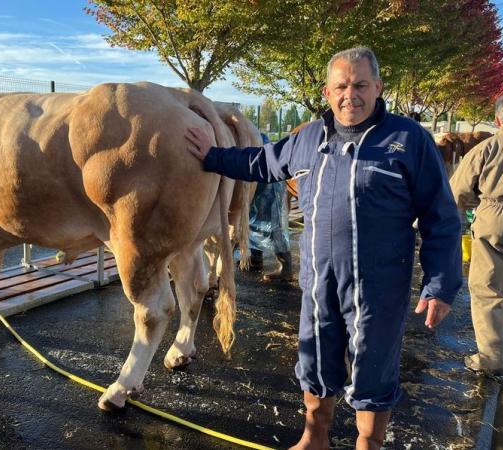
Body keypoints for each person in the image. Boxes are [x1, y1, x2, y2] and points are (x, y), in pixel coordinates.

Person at [185, 47, 462, 450]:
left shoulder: (408, 140)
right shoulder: (309, 138)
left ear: (378, 87)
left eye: (361, 84)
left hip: (378, 287)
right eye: (342, 86)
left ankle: (368, 443)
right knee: (314, 359)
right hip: (318, 281)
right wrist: (211, 155)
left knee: (373, 368)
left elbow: (442, 216)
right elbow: (262, 162)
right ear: (327, 92)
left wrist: (440, 285)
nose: (351, 94)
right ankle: (315, 438)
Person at [450, 92, 503, 377]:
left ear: (498, 119)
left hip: (495, 218)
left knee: (486, 288)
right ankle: (500, 337)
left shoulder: (488, 148)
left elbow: (456, 192)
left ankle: (492, 356)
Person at [248, 132, 294, 282]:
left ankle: (286, 268)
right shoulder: (257, 138)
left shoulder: (258, 142)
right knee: (253, 221)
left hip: (269, 185)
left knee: (273, 226)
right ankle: (255, 258)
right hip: (260, 181)